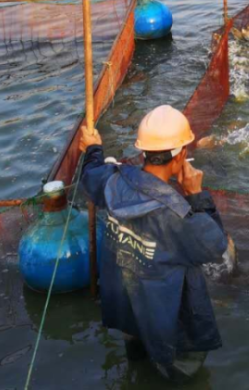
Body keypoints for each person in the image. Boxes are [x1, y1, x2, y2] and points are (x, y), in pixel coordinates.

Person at [80, 105, 229, 384]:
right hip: (165, 316)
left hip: (125, 303)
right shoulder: (177, 214)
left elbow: (90, 175)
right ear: (181, 154)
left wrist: (93, 149)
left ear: (144, 152)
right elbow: (215, 245)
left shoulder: (113, 180)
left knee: (136, 354)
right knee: (182, 373)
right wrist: (196, 196)